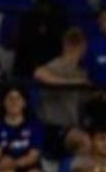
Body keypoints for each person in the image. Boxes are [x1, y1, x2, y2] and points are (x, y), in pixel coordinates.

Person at [33, 27, 92, 156]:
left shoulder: (80, 72)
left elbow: (82, 99)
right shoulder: (56, 66)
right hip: (52, 127)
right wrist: (73, 83)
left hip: (73, 125)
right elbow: (39, 74)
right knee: (83, 140)